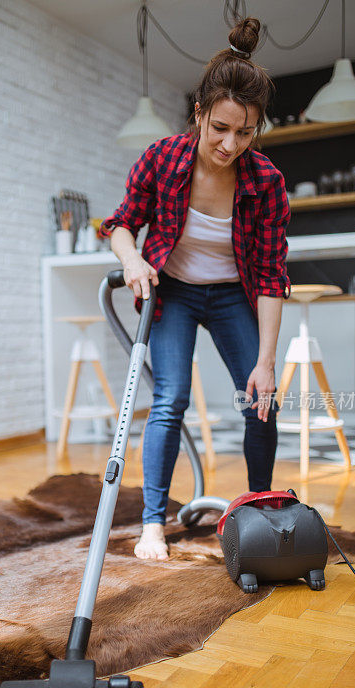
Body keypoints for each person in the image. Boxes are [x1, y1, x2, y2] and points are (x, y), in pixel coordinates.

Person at [100, 17, 291, 561]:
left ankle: (260, 511)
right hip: (175, 292)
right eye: (220, 128)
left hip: (235, 294)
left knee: (261, 401)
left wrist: (267, 360)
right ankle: (153, 525)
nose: (231, 144)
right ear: (200, 113)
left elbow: (274, 275)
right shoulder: (163, 158)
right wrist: (132, 257)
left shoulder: (267, 183)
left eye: (246, 132)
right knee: (170, 402)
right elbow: (119, 223)